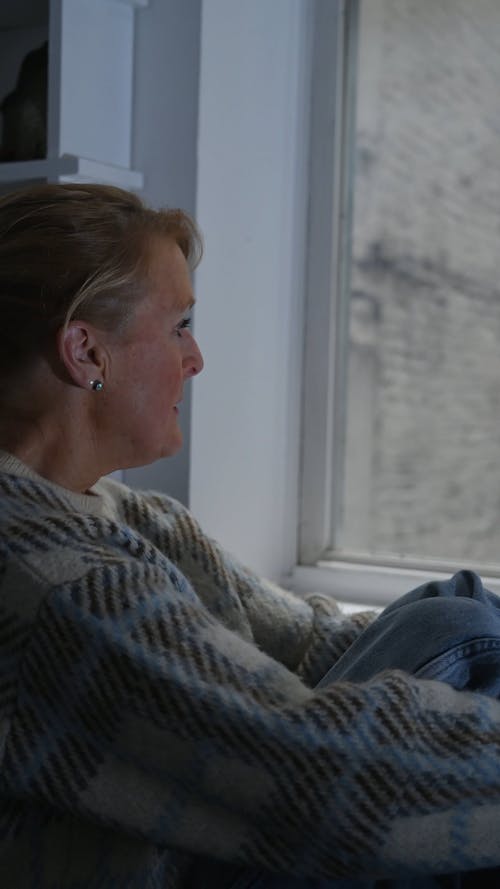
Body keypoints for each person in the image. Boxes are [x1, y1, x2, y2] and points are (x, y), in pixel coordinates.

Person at [0, 183, 500, 889]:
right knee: (458, 624)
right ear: (86, 352)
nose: (196, 358)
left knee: (453, 612)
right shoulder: (51, 576)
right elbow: (320, 771)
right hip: (209, 860)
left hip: (280, 803)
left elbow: (313, 644)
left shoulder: (136, 517)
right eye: (178, 326)